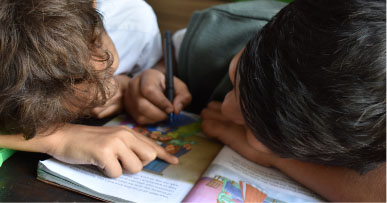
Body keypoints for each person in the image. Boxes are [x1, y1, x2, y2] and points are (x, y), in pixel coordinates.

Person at [125, 0, 386, 201]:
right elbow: (169, 53)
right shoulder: (221, 32)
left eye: (255, 130)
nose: (226, 108)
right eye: (235, 77)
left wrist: (279, 160)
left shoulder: (372, 125)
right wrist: (156, 73)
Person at [0, 0, 194, 178]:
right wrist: (56, 138)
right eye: (72, 80)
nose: (106, 92)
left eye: (96, 41)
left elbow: (157, 63)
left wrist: (141, 79)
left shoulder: (134, 24)